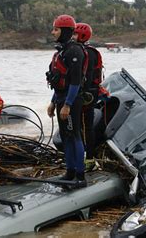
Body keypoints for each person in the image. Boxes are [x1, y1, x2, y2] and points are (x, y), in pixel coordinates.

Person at [46, 15, 87, 186]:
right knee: (65, 136)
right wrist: (53, 102)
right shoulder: (61, 51)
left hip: (72, 100)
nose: (53, 32)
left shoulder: (74, 51)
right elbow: (58, 82)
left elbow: (75, 81)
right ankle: (69, 172)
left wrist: (68, 105)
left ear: (65, 31)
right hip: (62, 99)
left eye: (56, 29)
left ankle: (80, 175)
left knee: (74, 135)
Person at [73, 22, 105, 171]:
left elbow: (86, 76)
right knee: (81, 127)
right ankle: (85, 157)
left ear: (82, 35)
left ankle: (89, 159)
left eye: (75, 34)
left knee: (86, 127)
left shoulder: (88, 52)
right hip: (86, 93)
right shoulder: (85, 50)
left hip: (87, 95)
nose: (72, 37)